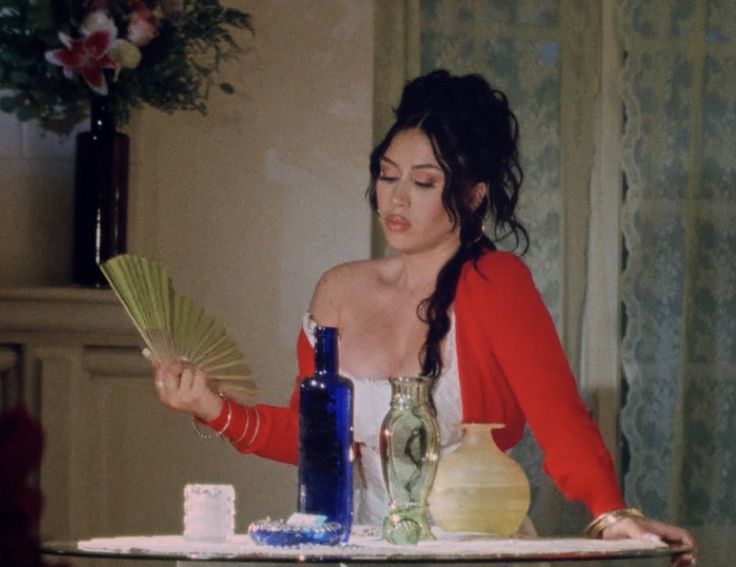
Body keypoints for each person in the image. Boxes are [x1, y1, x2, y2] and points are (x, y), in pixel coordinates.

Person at [150, 70, 695, 565]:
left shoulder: (496, 282)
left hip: (473, 554)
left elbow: (560, 418)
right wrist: (210, 406)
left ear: (473, 194)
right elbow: (312, 439)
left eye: (424, 182)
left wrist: (611, 513)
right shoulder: (338, 289)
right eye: (388, 177)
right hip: (353, 552)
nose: (397, 199)